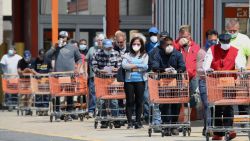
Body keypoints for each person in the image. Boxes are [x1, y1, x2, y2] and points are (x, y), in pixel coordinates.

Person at [203, 34, 245, 140]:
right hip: (215, 81)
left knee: (228, 106)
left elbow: (240, 64)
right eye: (223, 42)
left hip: (229, 82)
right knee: (217, 106)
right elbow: (206, 63)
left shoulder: (236, 50)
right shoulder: (212, 49)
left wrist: (241, 69)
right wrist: (207, 69)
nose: (225, 44)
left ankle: (229, 129)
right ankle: (218, 133)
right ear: (219, 41)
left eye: (227, 42)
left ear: (230, 41)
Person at [149, 36, 186, 135]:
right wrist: (163, 70)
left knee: (176, 104)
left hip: (175, 82)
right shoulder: (158, 54)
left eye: (171, 44)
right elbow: (154, 66)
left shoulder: (177, 54)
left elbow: (183, 66)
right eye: (167, 45)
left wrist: (177, 71)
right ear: (163, 46)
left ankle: (174, 125)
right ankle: (165, 126)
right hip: (163, 83)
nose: (169, 46)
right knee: (164, 104)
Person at [46, 31, 82, 121]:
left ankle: (69, 113)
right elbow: (47, 56)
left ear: (67, 38)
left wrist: (77, 69)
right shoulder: (56, 47)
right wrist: (54, 47)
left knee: (69, 94)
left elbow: (79, 59)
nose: (61, 38)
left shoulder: (73, 47)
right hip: (58, 75)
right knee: (57, 95)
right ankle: (57, 113)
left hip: (70, 75)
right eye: (60, 36)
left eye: (63, 37)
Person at [92, 39, 122, 128]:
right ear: (102, 47)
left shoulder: (116, 53)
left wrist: (116, 70)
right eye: (106, 48)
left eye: (110, 48)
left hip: (112, 79)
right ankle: (103, 120)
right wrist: (100, 71)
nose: (108, 50)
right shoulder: (97, 53)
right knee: (101, 101)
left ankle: (116, 119)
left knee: (113, 100)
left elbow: (120, 66)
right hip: (101, 79)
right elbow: (94, 66)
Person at [122, 36, 149, 129]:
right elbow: (124, 65)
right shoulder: (127, 55)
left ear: (141, 45)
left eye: (138, 44)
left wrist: (132, 65)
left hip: (140, 80)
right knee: (129, 101)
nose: (136, 45)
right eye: (134, 44)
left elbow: (145, 66)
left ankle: (138, 122)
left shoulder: (145, 55)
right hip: (129, 81)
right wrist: (138, 65)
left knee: (139, 101)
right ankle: (129, 122)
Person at [225, 18, 250, 116]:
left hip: (241, 74)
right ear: (226, 29)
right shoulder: (223, 38)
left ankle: (244, 122)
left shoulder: (244, 39)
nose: (232, 33)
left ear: (238, 29)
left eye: (234, 31)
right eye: (230, 31)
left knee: (243, 100)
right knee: (228, 100)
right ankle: (229, 124)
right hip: (227, 75)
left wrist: (247, 68)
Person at [197, 29, 219, 136]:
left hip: (216, 82)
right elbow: (199, 69)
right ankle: (208, 127)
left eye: (215, 40)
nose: (213, 42)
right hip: (204, 82)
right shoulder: (202, 52)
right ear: (206, 39)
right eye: (211, 40)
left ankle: (212, 126)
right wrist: (206, 70)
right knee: (207, 105)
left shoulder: (218, 51)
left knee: (216, 106)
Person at [174, 25, 200, 108]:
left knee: (193, 97)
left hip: (193, 76)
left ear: (189, 35)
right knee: (178, 97)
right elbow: (171, 54)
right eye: (181, 36)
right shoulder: (175, 45)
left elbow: (198, 61)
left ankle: (191, 118)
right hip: (179, 75)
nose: (184, 38)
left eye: (185, 36)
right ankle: (179, 118)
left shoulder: (195, 46)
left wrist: (194, 72)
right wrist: (178, 45)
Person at [85, 33, 106, 117]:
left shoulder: (107, 49)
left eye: (101, 40)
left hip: (104, 76)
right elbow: (86, 60)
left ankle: (101, 110)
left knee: (103, 94)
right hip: (93, 75)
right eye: (98, 40)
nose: (100, 42)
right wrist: (85, 71)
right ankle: (91, 110)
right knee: (93, 93)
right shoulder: (91, 49)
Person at [17, 50, 36, 115]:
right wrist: (24, 71)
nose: (27, 60)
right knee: (23, 95)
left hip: (30, 80)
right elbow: (19, 71)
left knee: (30, 95)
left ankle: (29, 108)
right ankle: (24, 107)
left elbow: (34, 71)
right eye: (25, 59)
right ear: (23, 57)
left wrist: (30, 70)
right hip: (23, 81)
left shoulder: (33, 61)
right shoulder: (20, 61)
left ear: (30, 56)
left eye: (28, 59)